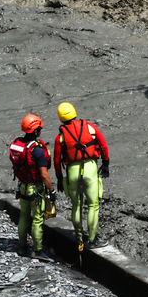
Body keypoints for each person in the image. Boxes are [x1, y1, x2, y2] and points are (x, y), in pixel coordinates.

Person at [53, 102, 110, 249]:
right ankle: (92, 240)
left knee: (76, 206)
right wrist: (106, 164)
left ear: (60, 117)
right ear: (74, 113)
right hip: (90, 168)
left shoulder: (60, 137)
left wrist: (59, 178)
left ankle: (79, 237)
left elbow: (57, 160)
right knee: (93, 205)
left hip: (72, 172)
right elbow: (103, 145)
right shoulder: (90, 127)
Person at [9, 114, 56, 262]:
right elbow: (44, 175)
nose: (41, 131)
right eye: (40, 128)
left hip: (22, 187)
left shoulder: (17, 145)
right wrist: (51, 190)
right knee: (37, 219)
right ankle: (37, 250)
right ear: (36, 131)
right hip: (35, 189)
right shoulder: (37, 151)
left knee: (23, 216)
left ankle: (22, 246)